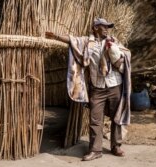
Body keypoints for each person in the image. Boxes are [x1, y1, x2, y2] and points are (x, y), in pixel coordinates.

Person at [45, 18, 131, 161]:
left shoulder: (113, 40)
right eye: (103, 27)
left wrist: (117, 55)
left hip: (115, 84)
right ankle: (95, 150)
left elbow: (126, 54)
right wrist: (56, 36)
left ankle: (116, 146)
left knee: (117, 117)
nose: (106, 29)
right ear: (95, 28)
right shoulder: (87, 42)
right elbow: (72, 40)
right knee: (95, 119)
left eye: (108, 27)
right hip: (97, 88)